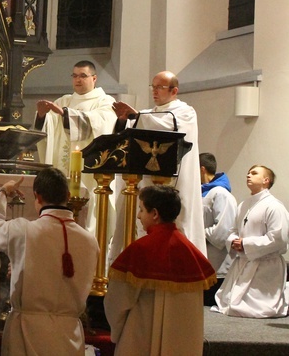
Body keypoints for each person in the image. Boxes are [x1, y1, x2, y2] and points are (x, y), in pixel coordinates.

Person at [0, 168, 99, 355]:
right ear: (67, 196)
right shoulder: (90, 241)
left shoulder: (23, 231)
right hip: (69, 335)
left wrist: (3, 192)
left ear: (37, 196)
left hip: (28, 332)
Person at [105, 185, 216, 355]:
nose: (138, 215)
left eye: (141, 210)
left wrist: (117, 331)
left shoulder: (140, 249)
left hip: (140, 338)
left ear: (155, 214)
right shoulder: (191, 253)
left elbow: (117, 301)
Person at [110, 71, 207, 259]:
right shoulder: (147, 114)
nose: (154, 91)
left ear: (174, 90)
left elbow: (168, 127)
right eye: (152, 87)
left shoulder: (185, 112)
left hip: (173, 182)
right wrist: (123, 120)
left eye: (159, 87)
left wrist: (136, 116)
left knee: (175, 224)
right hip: (144, 181)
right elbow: (133, 130)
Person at [34, 60, 117, 230]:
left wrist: (66, 115)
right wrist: (42, 116)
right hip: (63, 170)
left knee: (88, 218)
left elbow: (102, 124)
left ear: (94, 78)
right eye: (75, 76)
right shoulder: (64, 100)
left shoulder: (105, 102)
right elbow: (47, 128)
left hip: (88, 175)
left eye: (83, 76)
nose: (78, 80)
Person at [213, 164, 289, 318]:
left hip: (266, 264)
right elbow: (233, 230)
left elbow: (278, 239)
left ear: (266, 180)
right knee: (231, 303)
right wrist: (234, 241)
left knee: (257, 307)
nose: (248, 175)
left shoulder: (274, 206)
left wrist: (245, 244)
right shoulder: (243, 205)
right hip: (244, 261)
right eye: (248, 173)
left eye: (254, 173)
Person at [200, 152, 237, 306]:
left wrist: (196, 232)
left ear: (201, 169)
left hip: (217, 265)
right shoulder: (202, 192)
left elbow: (223, 231)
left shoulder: (221, 194)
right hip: (203, 260)